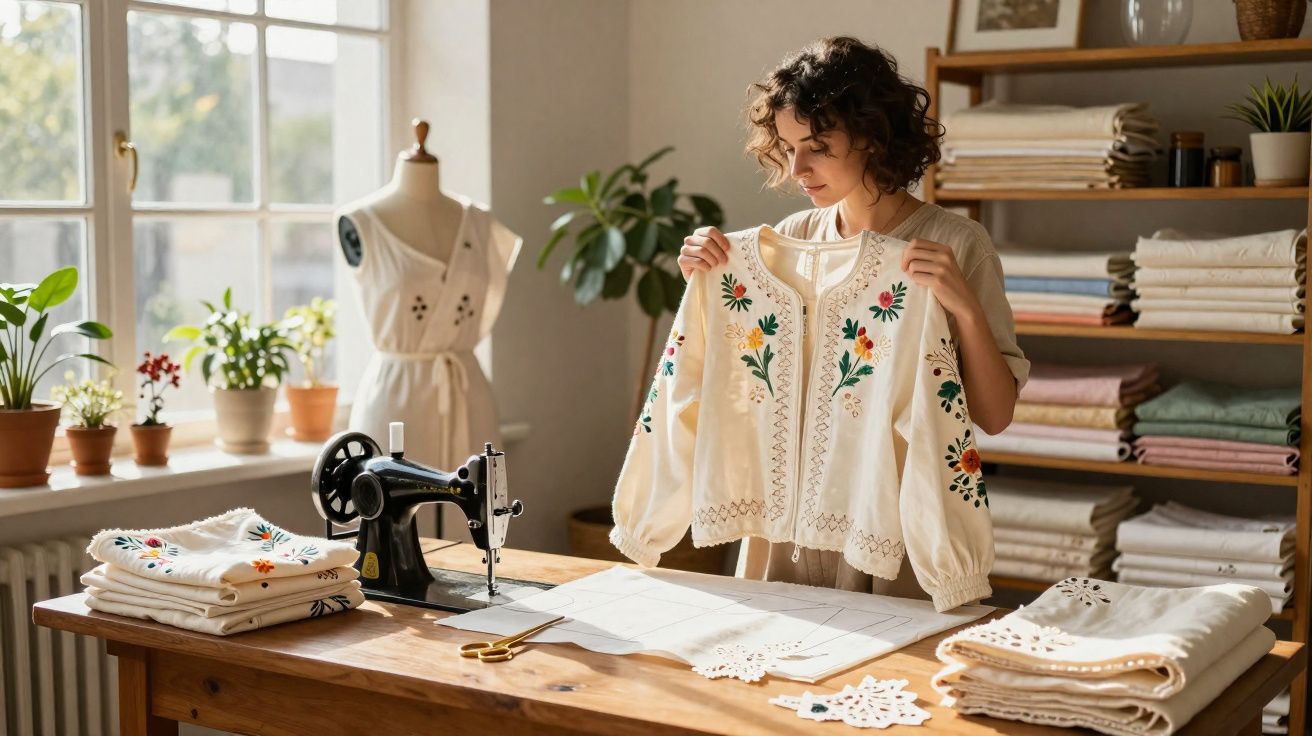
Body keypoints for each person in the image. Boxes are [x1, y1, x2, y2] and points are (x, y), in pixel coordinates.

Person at [678, 36, 1028, 595]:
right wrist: (705, 275)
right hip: (782, 536)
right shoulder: (787, 242)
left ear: (870, 136)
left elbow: (995, 414)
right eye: (788, 147)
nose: (798, 167)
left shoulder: (957, 245)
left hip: (895, 535)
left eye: (817, 145)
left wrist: (962, 305)